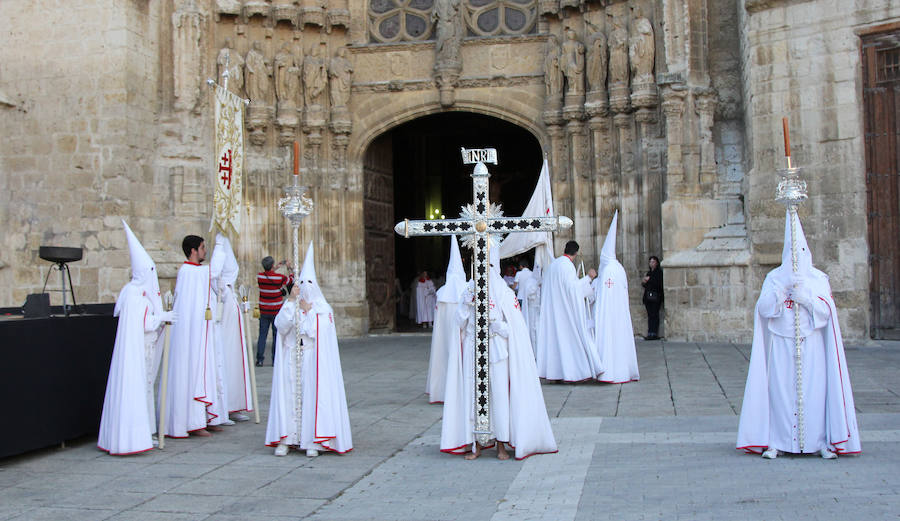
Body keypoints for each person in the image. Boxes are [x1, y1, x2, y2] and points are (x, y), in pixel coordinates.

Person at [737, 210, 860, 459]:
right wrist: (781, 294)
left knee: (815, 393)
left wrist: (807, 299)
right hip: (782, 343)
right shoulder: (774, 278)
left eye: (799, 253)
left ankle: (820, 442)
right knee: (780, 393)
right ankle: (776, 441)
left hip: (811, 343)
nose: (795, 259)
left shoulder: (817, 279)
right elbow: (762, 309)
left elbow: (827, 311)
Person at [441, 246, 557, 460]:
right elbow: (457, 323)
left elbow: (514, 328)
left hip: (497, 352)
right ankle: (476, 443)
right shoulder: (470, 288)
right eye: (482, 266)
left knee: (500, 397)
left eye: (490, 266)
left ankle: (501, 444)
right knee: (473, 397)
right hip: (473, 351)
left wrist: (496, 326)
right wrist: (466, 306)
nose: (485, 271)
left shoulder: (504, 292)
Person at [266, 242, 352, 456]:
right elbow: (281, 326)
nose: (305, 286)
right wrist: (293, 301)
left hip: (312, 358)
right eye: (301, 282)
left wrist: (307, 313)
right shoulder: (290, 304)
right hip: (292, 355)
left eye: (309, 282)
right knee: (289, 395)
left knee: (311, 397)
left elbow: (317, 333)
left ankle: (312, 440)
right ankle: (287, 438)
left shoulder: (323, 309)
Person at [98, 221, 175, 455]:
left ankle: (141, 433)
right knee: (138, 389)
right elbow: (145, 324)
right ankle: (135, 437)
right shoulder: (137, 297)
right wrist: (163, 316)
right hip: (139, 351)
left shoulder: (130, 293)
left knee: (140, 389)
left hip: (137, 351)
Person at [160, 235, 229, 438]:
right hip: (192, 335)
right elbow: (214, 270)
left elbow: (214, 279)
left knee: (208, 369)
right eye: (202, 247)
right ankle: (193, 421)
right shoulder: (188, 272)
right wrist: (220, 242)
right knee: (194, 371)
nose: (204, 251)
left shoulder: (196, 272)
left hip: (203, 330)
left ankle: (209, 416)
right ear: (193, 251)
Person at [535, 240, 603, 381]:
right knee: (570, 341)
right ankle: (576, 373)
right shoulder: (567, 266)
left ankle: (556, 373)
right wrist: (588, 278)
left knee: (556, 342)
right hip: (565, 312)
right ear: (576, 253)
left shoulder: (554, 265)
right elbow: (573, 290)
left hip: (554, 310)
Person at [591, 212, 639, 384]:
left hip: (609, 315)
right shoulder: (618, 268)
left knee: (610, 343)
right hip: (620, 314)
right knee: (620, 342)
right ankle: (623, 371)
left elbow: (603, 295)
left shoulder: (608, 271)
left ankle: (610, 372)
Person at [209, 234, 253, 422]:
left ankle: (234, 404)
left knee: (235, 363)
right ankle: (223, 405)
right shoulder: (218, 287)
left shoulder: (229, 290)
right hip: (223, 334)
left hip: (235, 335)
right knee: (224, 362)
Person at [426, 236, 467, 404]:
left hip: (443, 335)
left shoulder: (442, 292)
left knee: (442, 356)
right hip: (460, 332)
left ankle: (440, 391)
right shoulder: (465, 290)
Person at [257, 256, 293, 366]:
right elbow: (291, 280)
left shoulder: (260, 276)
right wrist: (289, 268)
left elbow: (268, 274)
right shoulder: (280, 277)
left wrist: (273, 268)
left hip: (264, 310)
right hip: (276, 310)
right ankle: (275, 359)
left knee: (262, 335)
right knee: (276, 335)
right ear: (272, 265)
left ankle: (259, 359)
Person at [641, 255, 663, 340]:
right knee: (650, 315)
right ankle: (650, 332)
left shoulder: (658, 273)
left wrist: (649, 280)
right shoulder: (649, 273)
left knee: (655, 315)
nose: (651, 263)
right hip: (648, 297)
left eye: (653, 262)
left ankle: (654, 333)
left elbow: (657, 284)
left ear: (657, 263)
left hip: (656, 297)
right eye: (650, 262)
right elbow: (645, 285)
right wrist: (644, 281)